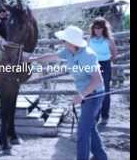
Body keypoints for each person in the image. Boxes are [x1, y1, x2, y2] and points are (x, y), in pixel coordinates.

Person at [28, 26, 108, 160]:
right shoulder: (68, 51)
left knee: (82, 131)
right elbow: (52, 57)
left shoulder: (87, 55)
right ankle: (101, 156)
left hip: (94, 95)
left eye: (63, 40)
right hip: (86, 94)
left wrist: (82, 95)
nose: (61, 42)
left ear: (71, 42)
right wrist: (33, 59)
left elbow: (97, 80)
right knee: (89, 127)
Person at [88, 17, 117, 126]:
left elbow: (114, 53)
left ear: (104, 29)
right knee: (94, 91)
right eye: (95, 28)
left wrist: (108, 61)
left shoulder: (108, 40)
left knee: (105, 91)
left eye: (100, 28)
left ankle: (105, 116)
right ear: (93, 29)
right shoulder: (89, 39)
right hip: (93, 65)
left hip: (105, 64)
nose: (97, 30)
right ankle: (95, 116)